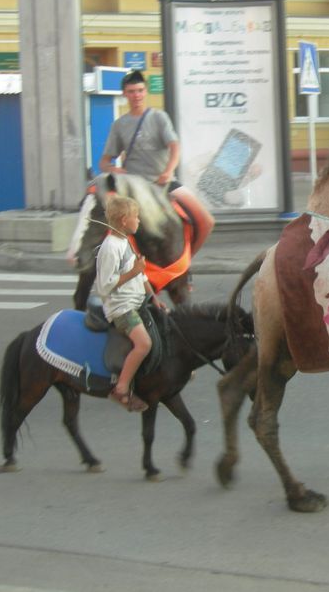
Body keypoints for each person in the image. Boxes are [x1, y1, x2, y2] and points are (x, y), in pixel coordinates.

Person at [98, 70, 214, 255]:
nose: (136, 95)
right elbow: (104, 163)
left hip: (164, 182)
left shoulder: (159, 117)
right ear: (125, 94)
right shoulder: (119, 125)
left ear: (145, 92)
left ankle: (185, 264)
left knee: (206, 221)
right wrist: (116, 171)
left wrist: (168, 171)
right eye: (131, 91)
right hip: (134, 187)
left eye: (140, 90)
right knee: (105, 223)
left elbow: (175, 147)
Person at [96, 196, 154, 412]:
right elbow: (104, 286)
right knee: (144, 344)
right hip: (121, 309)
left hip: (137, 301)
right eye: (135, 217)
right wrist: (134, 272)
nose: (138, 221)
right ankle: (121, 389)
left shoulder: (125, 242)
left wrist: (154, 298)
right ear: (123, 220)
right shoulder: (111, 247)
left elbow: (141, 275)